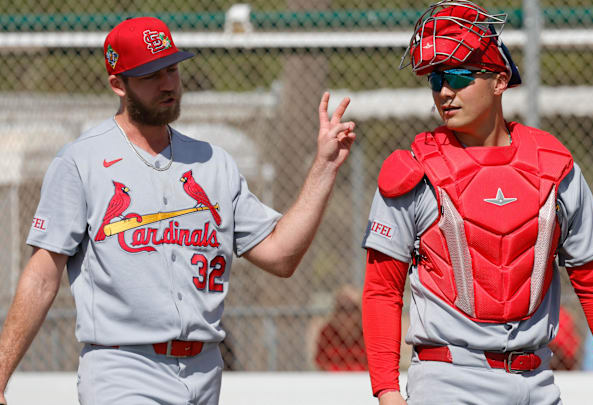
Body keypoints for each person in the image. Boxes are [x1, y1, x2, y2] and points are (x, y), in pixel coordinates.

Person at [0, 16, 356, 405]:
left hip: (204, 371)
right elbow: (42, 276)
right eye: (151, 74)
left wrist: (323, 168)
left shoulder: (212, 163)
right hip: (124, 370)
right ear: (118, 84)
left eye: (171, 68)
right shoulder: (81, 161)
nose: (168, 83)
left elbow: (281, 255)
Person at [361, 2, 593, 404]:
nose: (445, 90)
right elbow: (381, 289)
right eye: (436, 78)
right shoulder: (415, 171)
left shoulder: (553, 166)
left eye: (460, 75)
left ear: (499, 81)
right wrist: (387, 392)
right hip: (449, 380)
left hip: (537, 380)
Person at [314, 285, 368, 371]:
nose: (347, 315)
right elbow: (321, 364)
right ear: (335, 311)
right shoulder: (327, 332)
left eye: (352, 308)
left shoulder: (368, 334)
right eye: (342, 309)